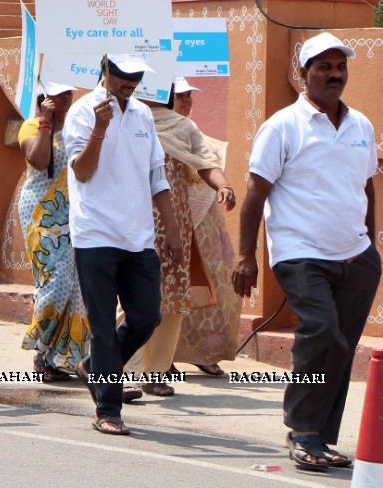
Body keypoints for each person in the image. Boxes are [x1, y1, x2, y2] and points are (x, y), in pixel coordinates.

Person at [234, 32, 379, 472]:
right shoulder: (282, 126)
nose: (334, 75)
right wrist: (246, 255)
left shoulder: (362, 126)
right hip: (300, 253)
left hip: (356, 256)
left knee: (341, 345)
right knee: (320, 330)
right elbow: (255, 192)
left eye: (340, 67)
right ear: (303, 74)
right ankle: (301, 428)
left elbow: (369, 186)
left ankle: (321, 437)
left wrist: (371, 245)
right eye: (324, 67)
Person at [64, 54, 181, 436]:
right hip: (95, 234)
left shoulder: (144, 116)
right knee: (101, 326)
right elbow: (82, 172)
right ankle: (108, 409)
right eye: (122, 77)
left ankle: (95, 367)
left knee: (147, 317)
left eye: (135, 78)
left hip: (138, 237)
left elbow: (156, 176)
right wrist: (99, 129)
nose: (129, 84)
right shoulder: (83, 112)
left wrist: (173, 229)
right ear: (105, 71)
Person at [126, 84, 236, 396]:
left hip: (175, 223)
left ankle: (156, 372)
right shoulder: (130, 120)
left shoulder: (183, 126)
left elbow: (204, 162)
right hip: (135, 220)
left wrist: (223, 186)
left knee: (172, 296)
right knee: (132, 293)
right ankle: (125, 369)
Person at [17, 82, 88, 379]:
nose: (67, 97)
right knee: (55, 282)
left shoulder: (77, 126)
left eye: (69, 93)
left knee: (77, 288)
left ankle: (61, 360)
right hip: (42, 212)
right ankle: (41, 350)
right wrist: (46, 123)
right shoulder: (31, 127)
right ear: (44, 98)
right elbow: (39, 160)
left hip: (77, 213)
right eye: (59, 94)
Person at [170, 76, 238, 375]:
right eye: (180, 95)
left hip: (206, 225)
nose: (186, 101)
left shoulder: (191, 131)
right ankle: (163, 357)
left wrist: (222, 187)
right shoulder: (153, 130)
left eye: (189, 96)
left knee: (215, 283)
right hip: (173, 223)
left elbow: (206, 166)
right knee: (172, 290)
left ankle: (202, 351)